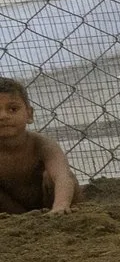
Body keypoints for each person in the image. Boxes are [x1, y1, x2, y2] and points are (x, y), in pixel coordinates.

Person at [0, 78, 78, 215]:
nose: (3, 116)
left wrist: (61, 205)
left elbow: (62, 176)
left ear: (29, 114)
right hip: (11, 211)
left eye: (13, 109)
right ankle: (19, 217)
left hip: (49, 203)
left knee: (54, 176)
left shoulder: (42, 144)